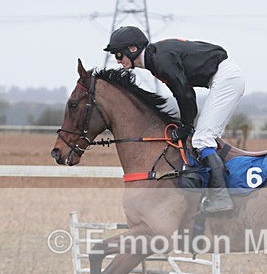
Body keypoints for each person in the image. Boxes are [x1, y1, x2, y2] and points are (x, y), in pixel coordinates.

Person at [104, 25, 245, 213]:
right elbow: (182, 95)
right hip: (223, 77)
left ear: (133, 49)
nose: (118, 61)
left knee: (202, 140)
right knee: (204, 140)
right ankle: (213, 190)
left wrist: (186, 125)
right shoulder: (156, 58)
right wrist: (186, 124)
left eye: (119, 55)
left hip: (226, 79)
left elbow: (186, 95)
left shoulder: (159, 60)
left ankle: (221, 197)